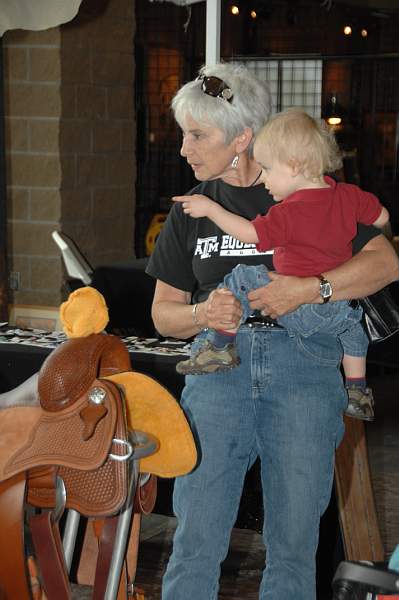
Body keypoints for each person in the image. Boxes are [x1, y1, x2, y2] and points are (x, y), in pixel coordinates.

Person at [146, 62, 399, 600]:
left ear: (242, 138)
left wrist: (312, 289)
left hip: (303, 368)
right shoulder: (192, 211)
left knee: (293, 542)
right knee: (196, 536)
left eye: (198, 134)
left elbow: (386, 263)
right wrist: (201, 315)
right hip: (218, 374)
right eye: (183, 134)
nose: (184, 149)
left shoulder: (302, 186)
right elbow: (162, 314)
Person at [173, 108, 390, 422]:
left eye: (268, 169)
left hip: (292, 313)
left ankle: (220, 345)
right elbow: (381, 217)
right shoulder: (348, 196)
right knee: (353, 332)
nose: (264, 180)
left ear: (295, 167)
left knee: (242, 277)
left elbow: (249, 233)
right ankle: (356, 390)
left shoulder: (289, 212)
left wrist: (210, 209)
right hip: (335, 310)